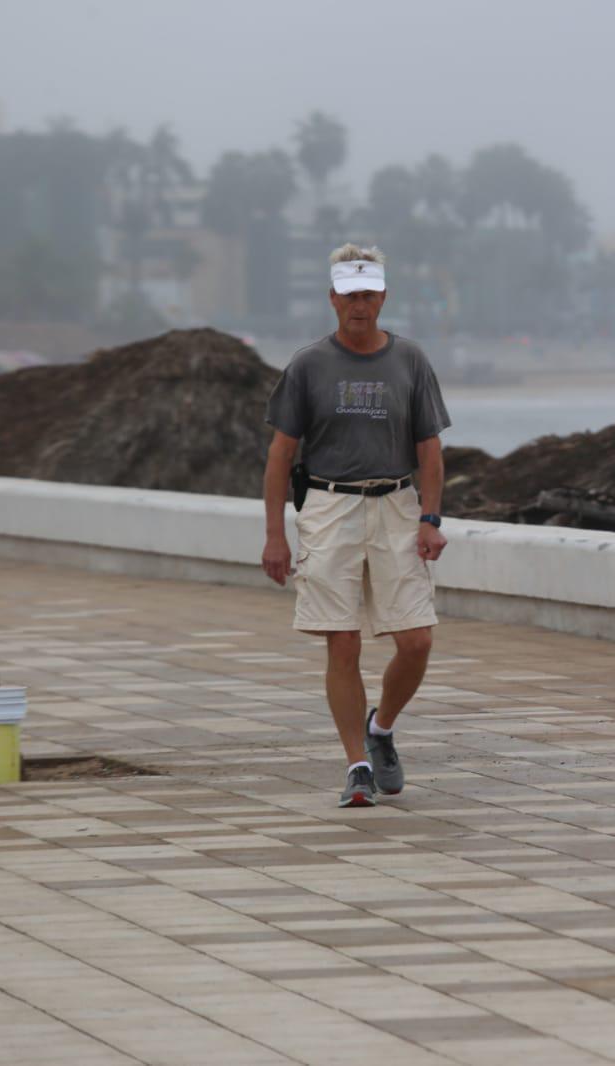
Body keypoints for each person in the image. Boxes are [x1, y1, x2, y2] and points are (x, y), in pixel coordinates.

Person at [261, 244, 451, 808]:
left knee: (416, 640)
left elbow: (431, 450)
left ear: (384, 297)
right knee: (341, 642)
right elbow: (279, 455)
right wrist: (276, 533)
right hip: (328, 506)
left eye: (368, 295)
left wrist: (431, 518)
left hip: (396, 504)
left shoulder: (410, 361)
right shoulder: (308, 365)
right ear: (332, 299)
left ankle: (383, 728)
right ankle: (358, 766)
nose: (359, 306)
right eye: (349, 296)